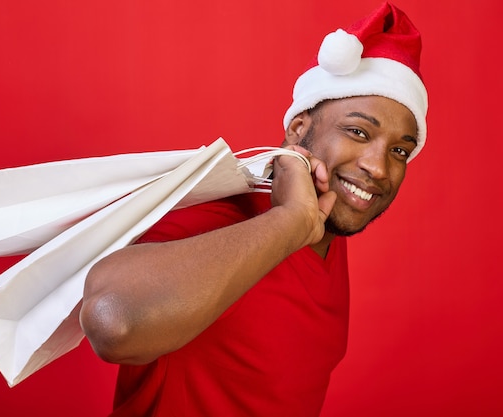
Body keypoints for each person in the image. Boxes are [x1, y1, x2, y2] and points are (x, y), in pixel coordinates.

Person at [80, 2, 428, 416]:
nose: (378, 167)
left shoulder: (330, 222)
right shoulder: (222, 214)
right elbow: (111, 321)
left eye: (399, 151)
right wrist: (287, 224)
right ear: (298, 128)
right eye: (357, 131)